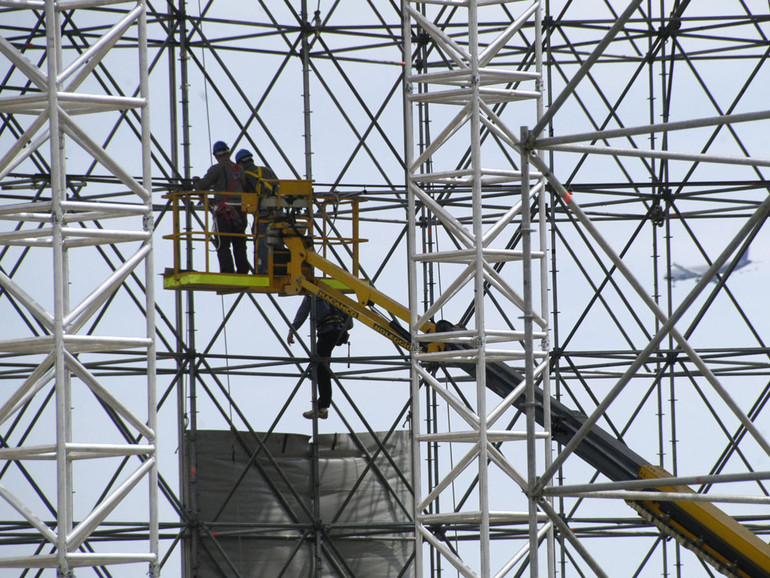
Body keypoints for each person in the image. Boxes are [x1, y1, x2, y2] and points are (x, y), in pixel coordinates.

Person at [287, 295, 353, 419]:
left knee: (320, 368)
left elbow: (302, 313)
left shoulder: (311, 294)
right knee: (321, 366)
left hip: (327, 332)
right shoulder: (336, 294)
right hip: (338, 332)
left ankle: (323, 407)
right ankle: (322, 406)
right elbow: (350, 323)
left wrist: (292, 330)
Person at [193, 140, 249, 274]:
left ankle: (227, 270)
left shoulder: (217, 169)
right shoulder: (240, 169)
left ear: (216, 156)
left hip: (225, 213)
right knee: (239, 244)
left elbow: (202, 186)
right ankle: (243, 270)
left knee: (223, 244)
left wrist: (196, 181)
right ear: (229, 153)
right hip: (240, 213)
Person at [235, 149, 278, 274]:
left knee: (262, 241)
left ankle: (265, 270)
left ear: (240, 163)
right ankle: (282, 267)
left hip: (263, 214)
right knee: (279, 240)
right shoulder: (266, 170)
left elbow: (243, 194)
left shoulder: (244, 175)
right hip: (279, 213)